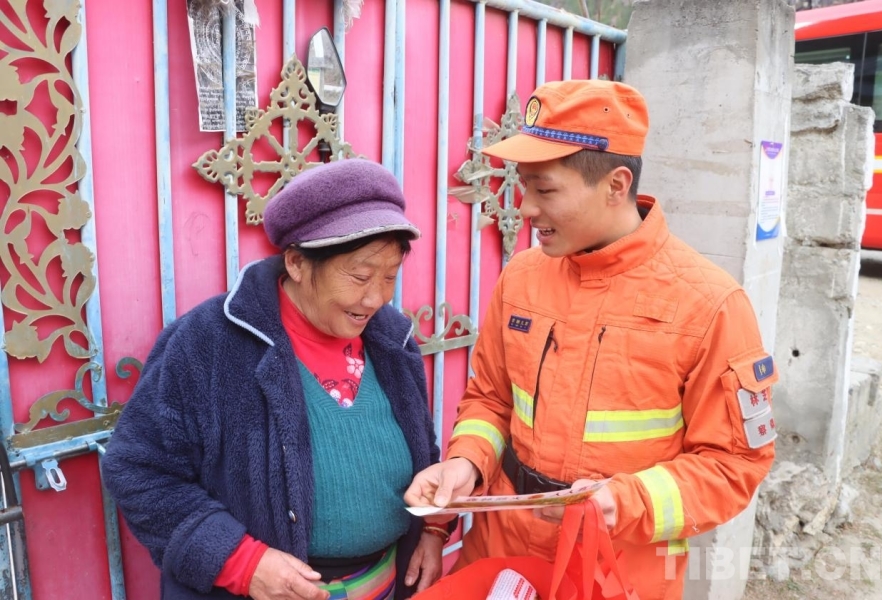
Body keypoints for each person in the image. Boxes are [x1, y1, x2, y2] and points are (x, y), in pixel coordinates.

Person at [404, 80, 778, 599]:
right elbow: (490, 399)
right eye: (524, 186)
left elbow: (733, 464)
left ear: (616, 185)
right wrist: (466, 462)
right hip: (500, 552)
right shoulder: (522, 278)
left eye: (545, 190)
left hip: (617, 569)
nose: (525, 208)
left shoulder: (710, 305)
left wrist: (623, 501)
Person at [102, 158, 451, 600]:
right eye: (361, 276)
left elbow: (422, 453)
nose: (376, 298)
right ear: (298, 263)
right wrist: (240, 563)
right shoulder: (207, 343)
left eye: (390, 276)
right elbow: (138, 469)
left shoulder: (391, 340)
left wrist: (432, 529)